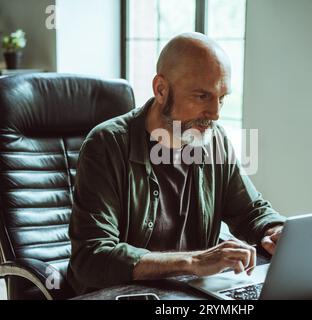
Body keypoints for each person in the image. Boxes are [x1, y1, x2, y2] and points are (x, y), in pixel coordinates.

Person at [67, 32, 286, 295]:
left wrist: (275, 230)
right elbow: (92, 257)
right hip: (125, 294)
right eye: (202, 97)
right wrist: (194, 262)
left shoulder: (213, 140)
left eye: (222, 98)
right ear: (161, 89)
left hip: (187, 292)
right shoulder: (106, 145)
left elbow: (250, 210)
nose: (215, 113)